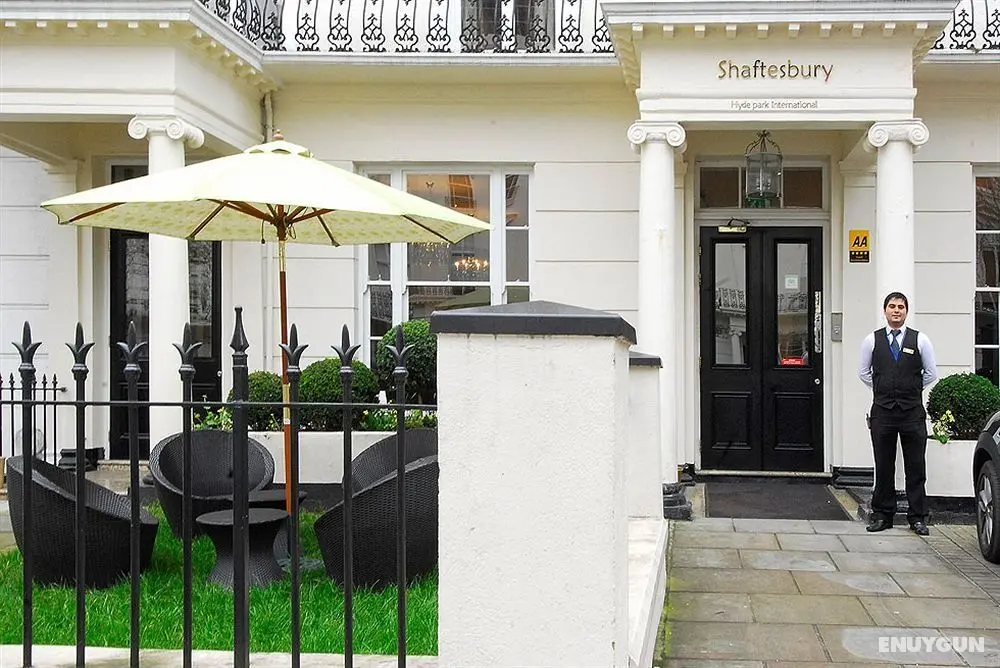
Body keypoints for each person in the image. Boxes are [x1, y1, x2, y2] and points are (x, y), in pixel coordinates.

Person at [858, 291, 938, 535]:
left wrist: (909, 388)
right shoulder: (871, 340)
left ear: (906, 311)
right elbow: (864, 372)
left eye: (901, 307)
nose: (896, 311)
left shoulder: (920, 340)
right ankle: (883, 515)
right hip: (882, 412)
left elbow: (930, 373)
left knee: (916, 466)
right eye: (892, 306)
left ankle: (917, 517)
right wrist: (884, 388)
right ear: (885, 311)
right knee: (883, 465)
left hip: (912, 412)